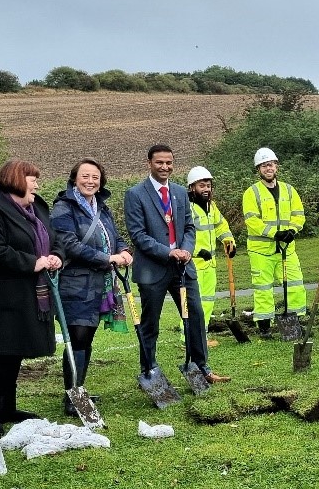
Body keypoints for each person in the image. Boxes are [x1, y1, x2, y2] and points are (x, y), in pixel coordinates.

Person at [0, 160, 64, 430]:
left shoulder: (36, 208)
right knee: (5, 350)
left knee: (15, 351)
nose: (36, 184)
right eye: (31, 178)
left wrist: (56, 256)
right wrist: (32, 262)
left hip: (29, 292)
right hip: (2, 293)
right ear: (14, 179)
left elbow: (54, 237)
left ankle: (7, 408)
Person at [123, 145, 226, 383]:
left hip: (182, 267)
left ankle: (202, 367)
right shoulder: (136, 194)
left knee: (196, 316)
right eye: (159, 162)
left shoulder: (180, 193)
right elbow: (137, 235)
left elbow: (189, 227)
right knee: (150, 323)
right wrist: (169, 252)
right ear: (149, 163)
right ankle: (149, 369)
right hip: (153, 269)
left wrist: (186, 251)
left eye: (169, 162)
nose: (165, 167)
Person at [49, 158, 133, 415]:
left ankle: (79, 389)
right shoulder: (64, 207)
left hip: (100, 283)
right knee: (77, 338)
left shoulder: (102, 207)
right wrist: (107, 258)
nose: (90, 181)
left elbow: (114, 236)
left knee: (88, 338)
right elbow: (69, 244)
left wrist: (123, 250)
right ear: (74, 179)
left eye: (95, 177)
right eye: (85, 176)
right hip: (75, 284)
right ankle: (71, 397)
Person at [241, 147, 306, 338]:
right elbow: (251, 220)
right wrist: (274, 233)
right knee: (263, 289)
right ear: (258, 169)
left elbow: (299, 214)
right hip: (261, 251)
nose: (268, 168)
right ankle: (264, 327)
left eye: (270, 164)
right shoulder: (251, 193)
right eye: (263, 166)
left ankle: (295, 323)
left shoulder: (289, 190)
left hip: (287, 249)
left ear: (276, 166)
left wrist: (292, 230)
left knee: (295, 285)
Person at [186, 165, 236, 349]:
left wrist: (229, 240)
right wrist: (197, 251)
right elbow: (180, 235)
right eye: (202, 185)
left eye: (208, 185)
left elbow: (221, 226)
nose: (206, 189)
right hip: (192, 264)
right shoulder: (186, 207)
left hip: (209, 264)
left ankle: (201, 336)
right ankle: (189, 339)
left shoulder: (211, 206)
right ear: (192, 187)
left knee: (206, 302)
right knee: (194, 304)